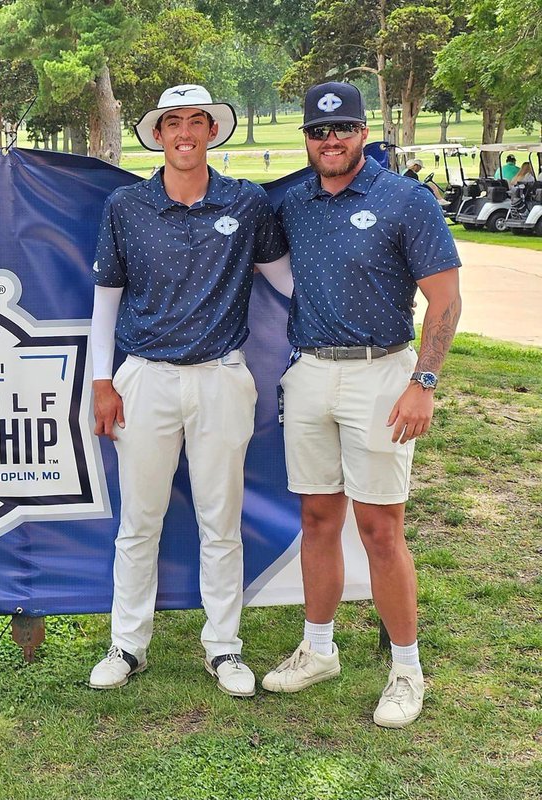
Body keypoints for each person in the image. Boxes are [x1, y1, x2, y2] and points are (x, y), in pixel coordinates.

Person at [263, 82, 461, 729]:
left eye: (343, 128)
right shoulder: (295, 204)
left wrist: (423, 383)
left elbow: (446, 300)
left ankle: (407, 670)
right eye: (319, 132)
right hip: (311, 372)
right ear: (307, 140)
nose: (331, 141)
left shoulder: (405, 199)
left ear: (364, 131)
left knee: (381, 529)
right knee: (318, 519)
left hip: (383, 374)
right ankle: (319, 650)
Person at [87, 85, 291, 697]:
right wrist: (102, 381)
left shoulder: (247, 203)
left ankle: (223, 647)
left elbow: (286, 282)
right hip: (144, 376)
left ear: (211, 131)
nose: (184, 133)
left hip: (222, 378)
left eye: (195, 121)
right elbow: (106, 300)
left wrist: (363, 299)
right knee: (139, 522)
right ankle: (127, 644)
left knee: (220, 521)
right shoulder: (127, 205)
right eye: (172, 122)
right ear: (157, 134)